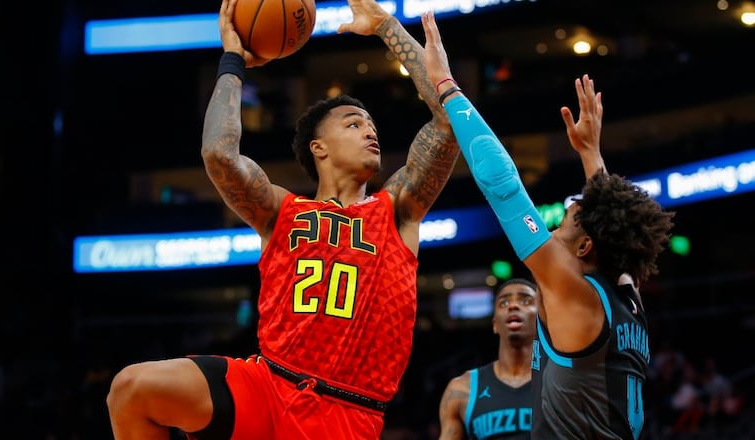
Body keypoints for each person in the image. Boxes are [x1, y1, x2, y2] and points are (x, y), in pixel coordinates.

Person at [105, 0, 459, 439]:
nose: (370, 131)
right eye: (353, 123)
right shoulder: (280, 211)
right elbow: (218, 153)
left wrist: (387, 27)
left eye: (371, 125)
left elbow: (448, 123)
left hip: (346, 408)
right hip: (267, 385)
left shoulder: (397, 209)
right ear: (318, 147)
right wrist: (233, 58)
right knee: (131, 388)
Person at [420, 10, 675, 440]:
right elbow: (611, 222)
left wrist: (445, 85)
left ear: (584, 247)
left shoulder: (575, 292)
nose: (555, 224)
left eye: (569, 220)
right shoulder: (627, 296)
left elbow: (502, 184)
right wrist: (591, 154)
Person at [437, 278, 538, 440]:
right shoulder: (463, 388)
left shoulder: (562, 382)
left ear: (542, 318)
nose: (513, 306)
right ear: (495, 324)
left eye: (525, 301)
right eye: (504, 303)